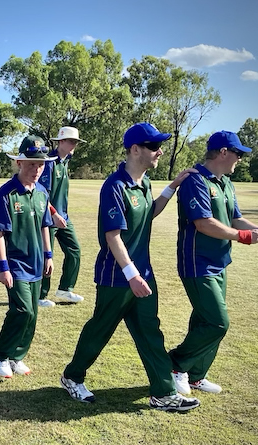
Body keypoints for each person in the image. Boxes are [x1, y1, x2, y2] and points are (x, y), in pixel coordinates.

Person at [60, 123, 201, 411]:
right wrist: (131, 274)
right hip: (118, 277)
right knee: (100, 329)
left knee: (150, 331)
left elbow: (148, 213)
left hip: (142, 275)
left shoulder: (144, 183)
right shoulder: (114, 186)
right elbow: (113, 236)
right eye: (153, 147)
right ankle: (72, 377)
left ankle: (163, 393)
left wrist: (172, 187)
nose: (159, 151)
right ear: (135, 150)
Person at [170, 131, 258, 394]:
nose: (240, 160)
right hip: (197, 264)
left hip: (220, 263)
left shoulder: (226, 183)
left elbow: (235, 219)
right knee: (218, 322)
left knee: (204, 319)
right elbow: (203, 223)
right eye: (238, 154)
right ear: (223, 153)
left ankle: (196, 375)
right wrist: (243, 237)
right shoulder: (195, 180)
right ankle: (176, 365)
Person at [0, 135, 55, 378]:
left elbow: (44, 225)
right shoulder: (5, 194)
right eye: (31, 164)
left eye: (40, 164)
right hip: (15, 264)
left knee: (33, 315)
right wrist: (2, 267)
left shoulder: (41, 192)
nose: (36, 169)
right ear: (19, 162)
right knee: (22, 310)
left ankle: (17, 355)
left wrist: (49, 255)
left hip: (37, 262)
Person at [38, 126, 85, 307]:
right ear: (61, 142)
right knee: (47, 256)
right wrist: (54, 214)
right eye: (71, 141)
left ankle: (65, 289)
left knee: (74, 251)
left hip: (64, 216)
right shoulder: (49, 162)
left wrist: (60, 214)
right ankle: (40, 296)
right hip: (49, 217)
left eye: (76, 142)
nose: (74, 145)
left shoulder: (66, 161)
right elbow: (42, 194)